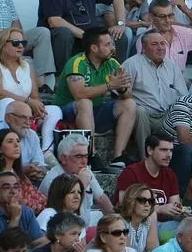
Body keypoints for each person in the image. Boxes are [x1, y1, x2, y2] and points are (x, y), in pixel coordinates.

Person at [52, 27, 135, 167]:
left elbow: (128, 94)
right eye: (107, 44)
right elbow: (79, 94)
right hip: (67, 113)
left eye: (112, 44)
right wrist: (110, 85)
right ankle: (92, 154)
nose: (112, 48)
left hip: (94, 111)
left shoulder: (112, 63)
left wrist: (121, 88)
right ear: (94, 48)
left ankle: (118, 157)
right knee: (85, 102)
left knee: (129, 104)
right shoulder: (77, 62)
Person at [37, 0, 127, 71]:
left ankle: (115, 75)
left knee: (119, 36)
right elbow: (54, 21)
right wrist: (85, 36)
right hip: (69, 39)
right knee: (64, 34)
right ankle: (63, 76)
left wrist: (120, 24)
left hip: (90, 37)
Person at [0, 28, 60, 150]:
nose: (20, 46)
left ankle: (47, 150)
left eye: (23, 43)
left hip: (21, 111)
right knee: (8, 103)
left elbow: (35, 97)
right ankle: (4, 145)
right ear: (3, 44)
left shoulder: (27, 65)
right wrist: (27, 102)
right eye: (15, 43)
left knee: (54, 110)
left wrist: (37, 109)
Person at [116, 134, 181, 222]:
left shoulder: (170, 174)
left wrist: (182, 212)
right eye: (163, 150)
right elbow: (124, 206)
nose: (169, 155)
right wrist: (158, 209)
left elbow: (175, 205)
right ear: (150, 150)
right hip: (137, 224)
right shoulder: (130, 172)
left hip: (163, 224)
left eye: (171, 150)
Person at [0, 171, 47, 250]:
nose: (13, 191)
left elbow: (38, 240)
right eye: (7, 188)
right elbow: (1, 247)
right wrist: (15, 218)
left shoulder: (26, 211)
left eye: (16, 187)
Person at [145, 0, 192, 70]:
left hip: (179, 76)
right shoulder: (145, 40)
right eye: (162, 17)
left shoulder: (181, 32)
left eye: (170, 15)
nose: (167, 20)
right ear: (151, 17)